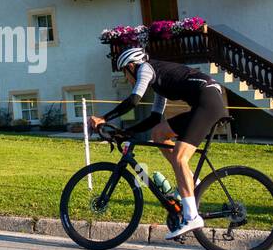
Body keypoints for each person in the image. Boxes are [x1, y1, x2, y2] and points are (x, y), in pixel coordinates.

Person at [89, 47, 228, 239]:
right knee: (159, 134)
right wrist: (126, 133)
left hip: (208, 102)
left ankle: (191, 216)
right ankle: (191, 180)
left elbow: (134, 100)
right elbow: (155, 118)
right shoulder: (159, 81)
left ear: (131, 66)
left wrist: (105, 118)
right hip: (205, 102)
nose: (127, 79)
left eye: (124, 73)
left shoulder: (145, 68)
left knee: (180, 157)